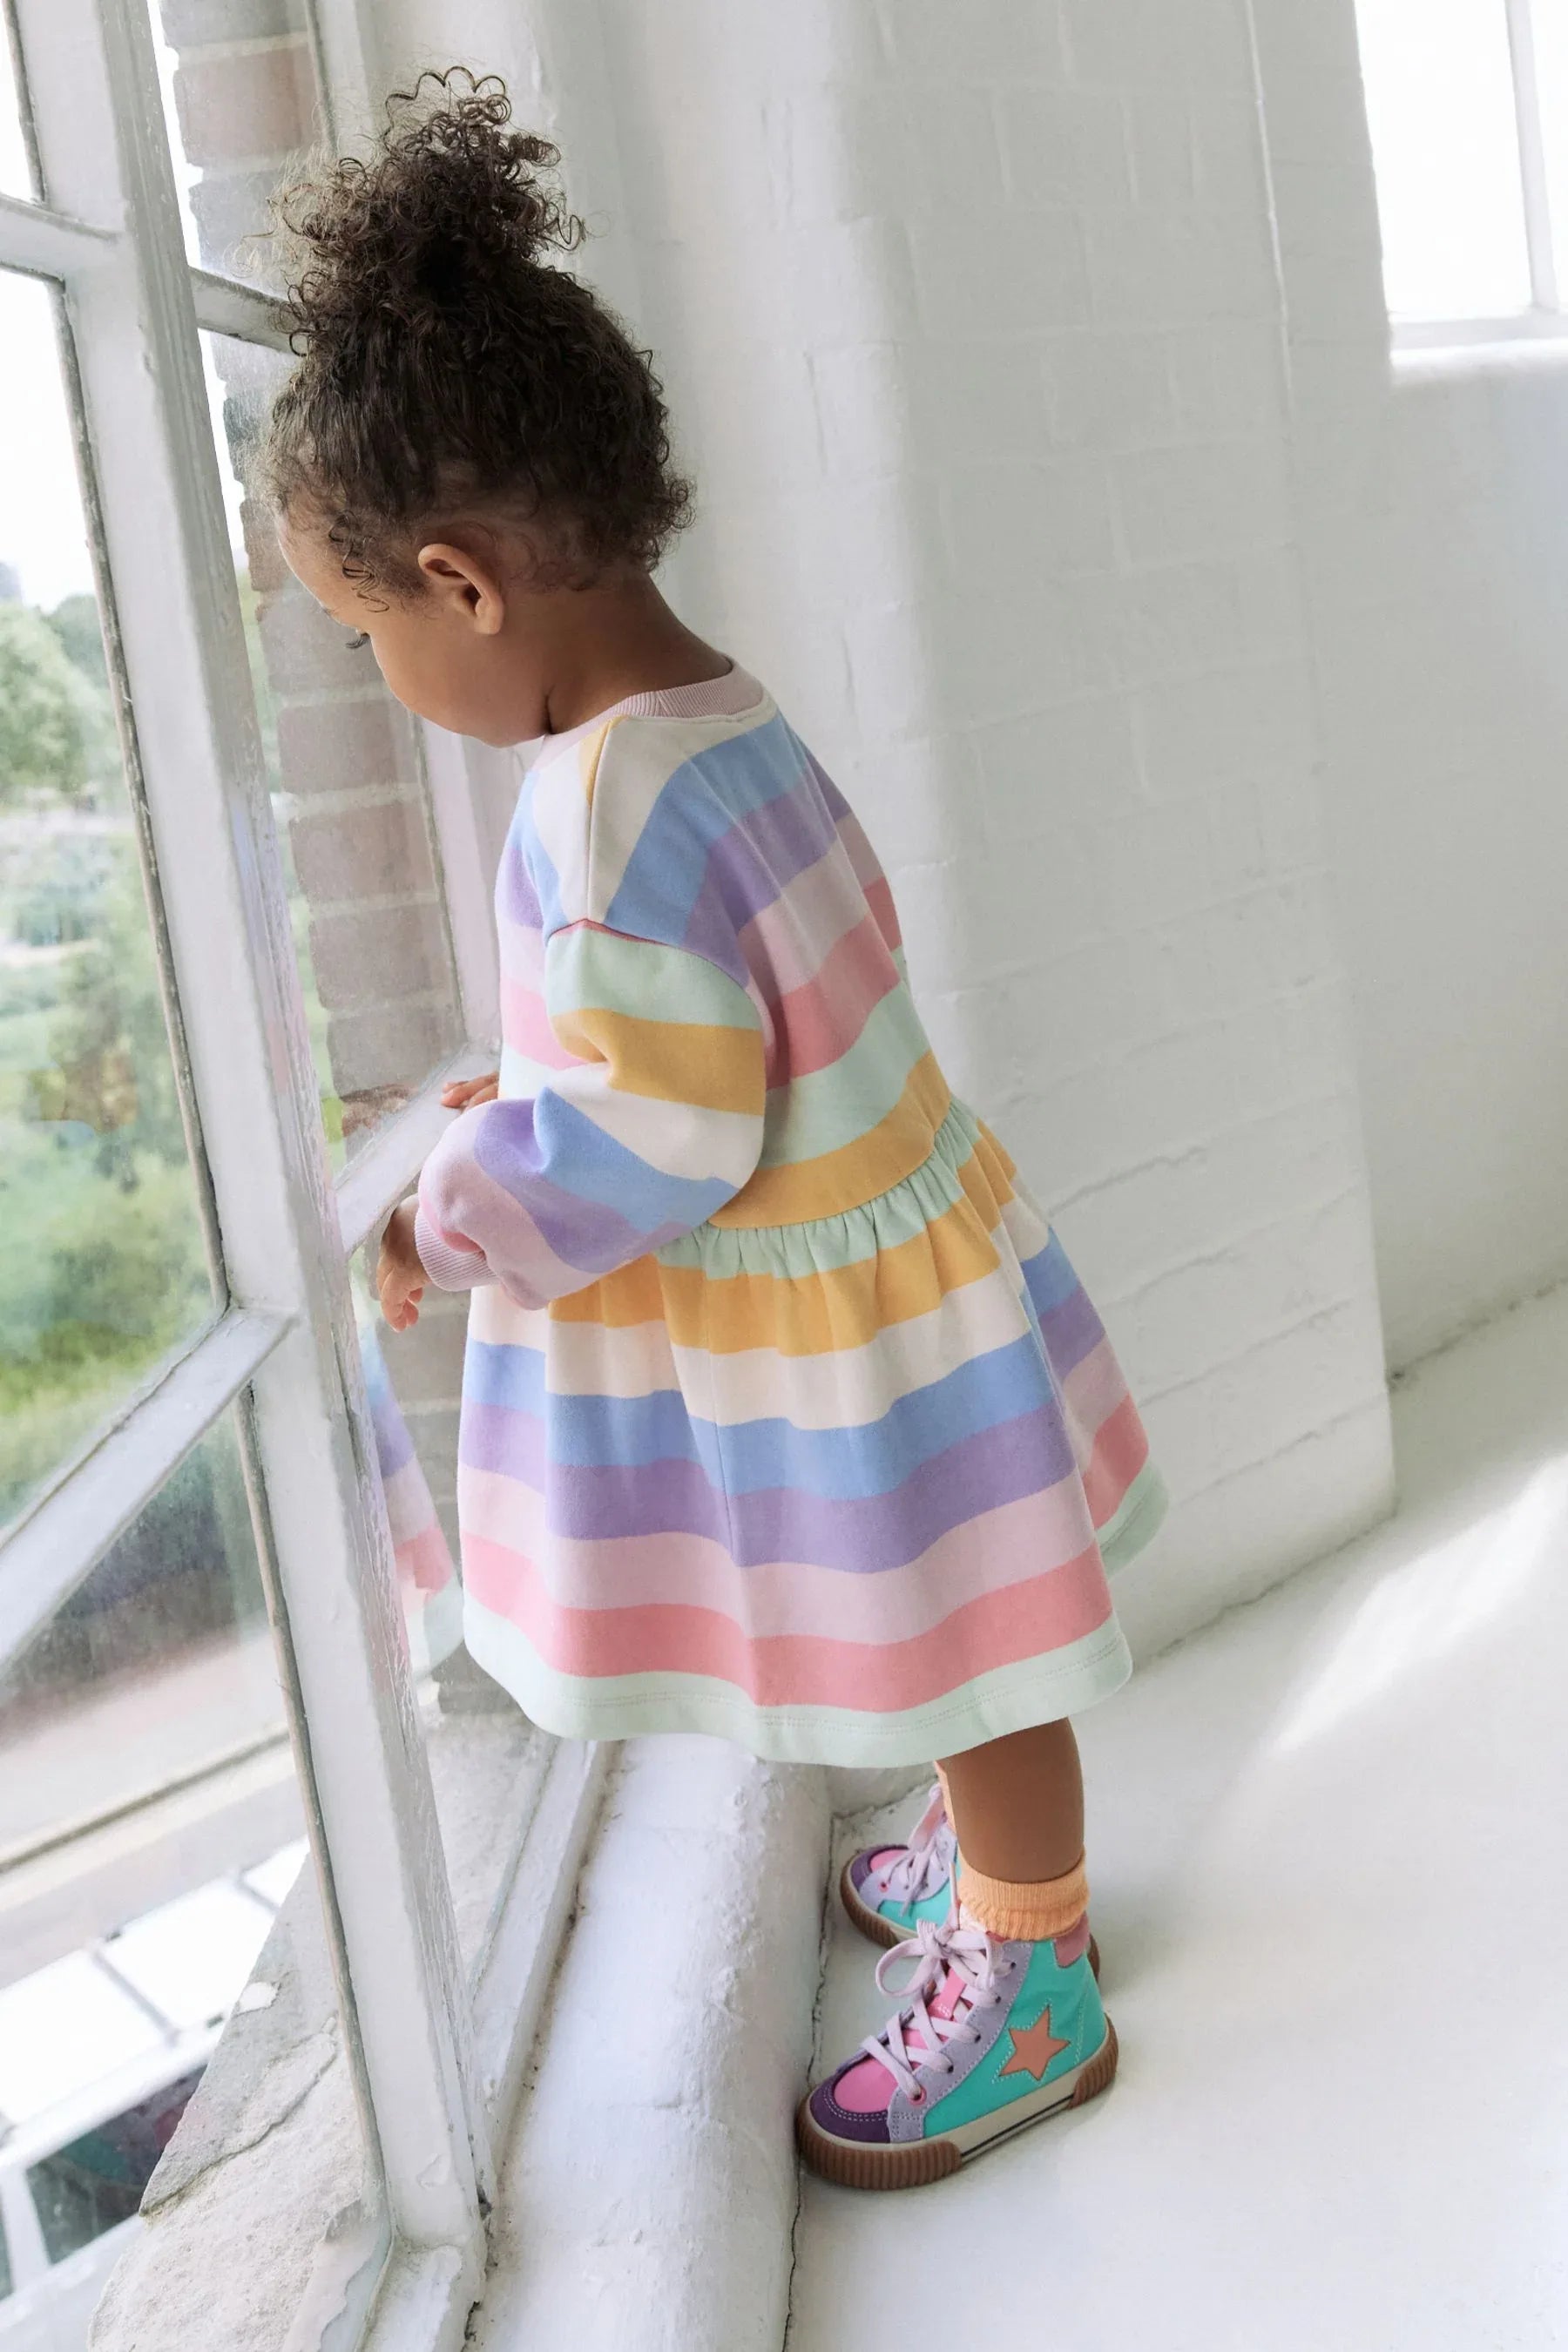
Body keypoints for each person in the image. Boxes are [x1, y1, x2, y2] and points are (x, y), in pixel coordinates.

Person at [262, 70, 1166, 2191]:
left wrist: (449, 1210)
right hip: (906, 1254)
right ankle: (1005, 1880)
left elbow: (646, 1146)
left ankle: (1037, 1968)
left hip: (845, 1335)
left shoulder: (594, 810)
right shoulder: (709, 708)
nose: (386, 677)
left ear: (463, 586)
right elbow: (708, 1034)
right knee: (971, 1630)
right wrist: (532, 1086)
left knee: (974, 1648)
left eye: (366, 635)